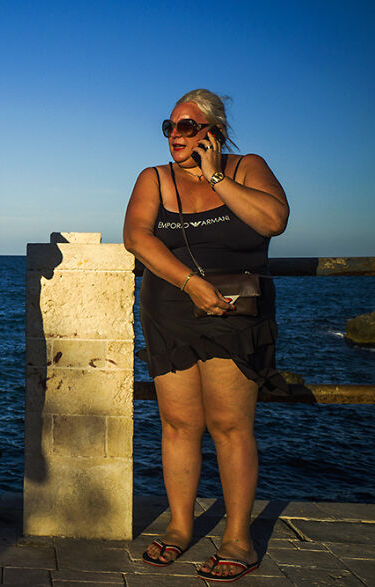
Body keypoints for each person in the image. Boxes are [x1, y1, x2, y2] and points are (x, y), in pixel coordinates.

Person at [123, 89, 289, 583]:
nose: (175, 135)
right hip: (171, 309)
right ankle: (179, 527)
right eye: (170, 126)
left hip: (234, 313)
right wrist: (191, 283)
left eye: (187, 126)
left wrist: (217, 176)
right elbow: (137, 236)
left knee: (230, 425)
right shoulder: (153, 178)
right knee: (177, 424)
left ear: (214, 131)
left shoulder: (247, 167)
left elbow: (274, 221)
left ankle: (238, 539)